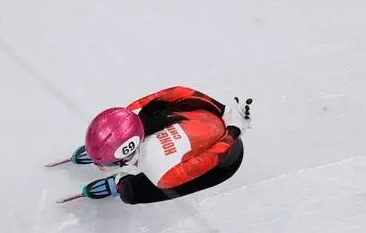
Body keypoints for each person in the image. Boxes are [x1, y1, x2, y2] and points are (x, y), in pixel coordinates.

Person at [63, 86, 252, 204]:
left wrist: (233, 130)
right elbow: (178, 92)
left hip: (225, 160)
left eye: (105, 163)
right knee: (161, 108)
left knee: (132, 192)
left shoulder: (164, 172)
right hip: (205, 123)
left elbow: (216, 156)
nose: (99, 167)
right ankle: (107, 153)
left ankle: (119, 184)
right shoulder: (131, 113)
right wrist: (222, 110)